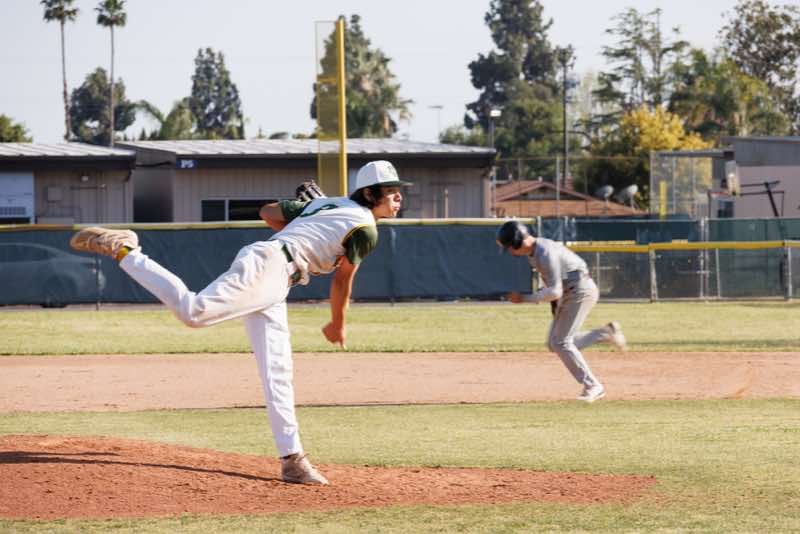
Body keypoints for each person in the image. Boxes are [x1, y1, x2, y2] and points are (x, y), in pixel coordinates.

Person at [70, 160, 411, 485]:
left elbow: (268, 213)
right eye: (390, 191)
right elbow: (342, 280)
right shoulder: (365, 229)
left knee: (278, 370)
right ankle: (126, 250)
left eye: (399, 190)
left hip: (276, 275)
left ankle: (292, 459)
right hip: (271, 269)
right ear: (369, 194)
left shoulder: (328, 205)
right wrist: (337, 323)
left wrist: (308, 215)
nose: (398, 197)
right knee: (194, 312)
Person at [495, 220, 627, 403]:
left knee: (561, 342)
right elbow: (554, 287)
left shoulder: (544, 253)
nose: (510, 252)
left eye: (509, 247)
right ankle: (605, 333)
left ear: (518, 242)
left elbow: (555, 291)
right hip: (571, 291)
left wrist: (524, 298)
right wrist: (554, 308)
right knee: (554, 343)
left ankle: (593, 386)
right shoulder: (534, 253)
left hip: (580, 290)